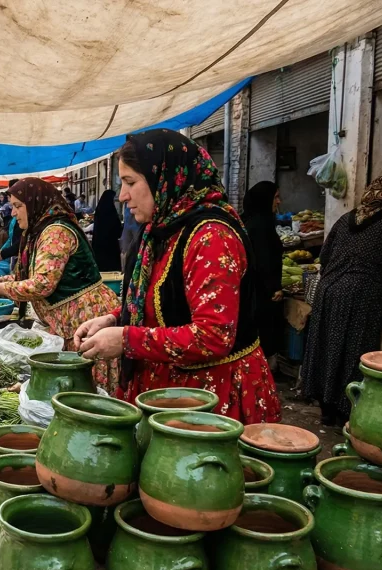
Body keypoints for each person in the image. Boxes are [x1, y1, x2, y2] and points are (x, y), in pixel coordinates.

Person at [74, 129, 281, 424]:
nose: (122, 195)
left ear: (165, 179)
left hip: (209, 399)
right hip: (168, 388)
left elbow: (213, 335)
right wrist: (115, 318)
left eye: (130, 182)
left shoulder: (211, 237)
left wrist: (127, 339)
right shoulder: (162, 229)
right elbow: (163, 301)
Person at [301, 175, 382, 427]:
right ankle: (346, 408)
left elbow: (324, 257)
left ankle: (326, 408)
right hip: (362, 296)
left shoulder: (346, 219)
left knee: (327, 346)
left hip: (328, 291)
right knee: (354, 349)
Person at [0, 179, 120, 391]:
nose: (13, 213)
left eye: (17, 206)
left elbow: (42, 284)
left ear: (34, 203)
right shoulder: (40, 230)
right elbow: (34, 275)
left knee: (89, 388)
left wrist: (0, 289)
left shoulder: (55, 232)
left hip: (85, 316)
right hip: (69, 321)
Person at [241, 181, 284, 360]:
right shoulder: (261, 226)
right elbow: (263, 259)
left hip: (252, 289)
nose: (279, 202)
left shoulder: (250, 220)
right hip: (260, 292)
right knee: (263, 334)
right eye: (275, 197)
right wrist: (274, 287)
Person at [91, 187, 122, 272]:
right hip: (110, 245)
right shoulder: (111, 212)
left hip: (99, 243)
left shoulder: (99, 210)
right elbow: (118, 229)